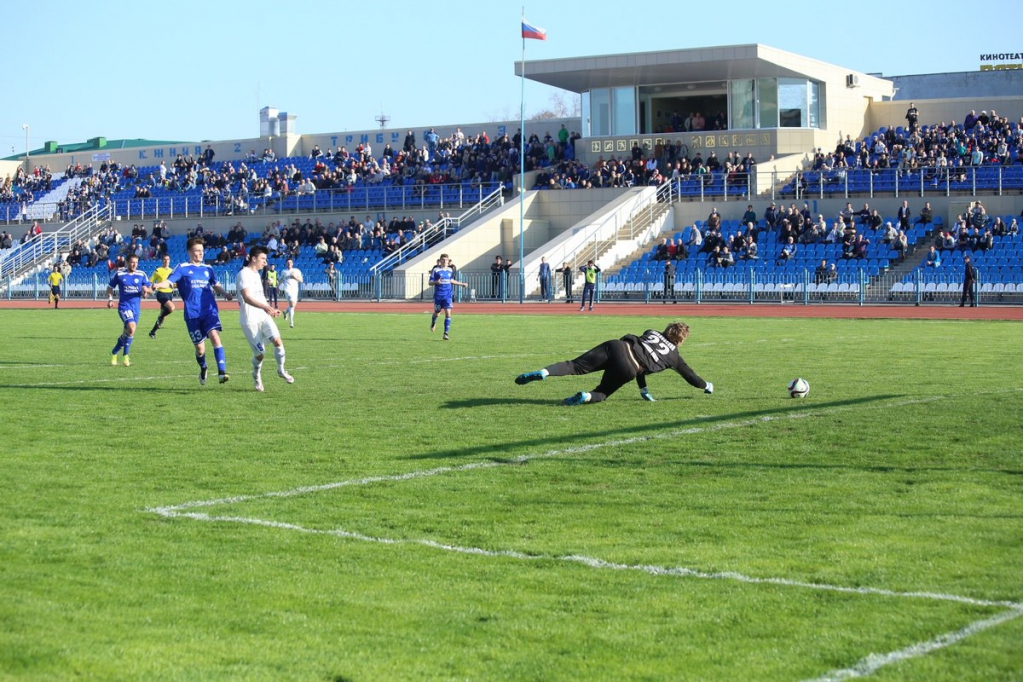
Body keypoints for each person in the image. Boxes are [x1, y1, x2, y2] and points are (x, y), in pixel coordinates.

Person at [514, 322, 713, 406]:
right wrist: (707, 386)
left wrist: (643, 389)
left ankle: (543, 372)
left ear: (667, 329)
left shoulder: (652, 332)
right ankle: (585, 396)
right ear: (680, 340)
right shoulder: (674, 357)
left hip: (618, 346)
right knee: (602, 393)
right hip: (631, 368)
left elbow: (643, 350)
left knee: (574, 365)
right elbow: (692, 378)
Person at [163, 237, 234, 385]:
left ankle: (222, 372)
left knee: (215, 336)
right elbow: (169, 281)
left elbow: (216, 285)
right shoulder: (182, 268)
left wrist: (225, 293)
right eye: (197, 251)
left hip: (209, 310)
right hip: (192, 314)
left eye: (202, 251)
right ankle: (203, 367)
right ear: (189, 252)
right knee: (200, 350)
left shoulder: (208, 269)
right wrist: (157, 286)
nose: (200, 254)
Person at [236, 246, 295, 392]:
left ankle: (281, 370)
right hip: (249, 319)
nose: (265, 262)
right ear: (254, 258)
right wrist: (265, 307)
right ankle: (256, 376)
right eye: (263, 259)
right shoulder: (243, 274)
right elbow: (247, 297)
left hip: (262, 316)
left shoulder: (257, 274)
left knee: (277, 340)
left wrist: (270, 309)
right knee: (260, 354)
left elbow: (260, 296)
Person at [106, 254, 152, 367]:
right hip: (124, 306)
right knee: (131, 328)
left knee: (127, 333)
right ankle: (126, 356)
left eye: (136, 262)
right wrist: (110, 299)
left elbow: (149, 289)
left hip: (136, 308)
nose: (134, 264)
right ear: (127, 262)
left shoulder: (141, 274)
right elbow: (110, 287)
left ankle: (114, 352)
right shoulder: (120, 274)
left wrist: (146, 291)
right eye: (132, 262)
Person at [429, 254, 468, 340]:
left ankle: (446, 333)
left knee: (448, 313)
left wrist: (462, 284)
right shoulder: (436, 270)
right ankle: (433, 321)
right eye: (443, 260)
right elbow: (430, 282)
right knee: (437, 313)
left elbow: (451, 280)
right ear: (440, 261)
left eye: (446, 260)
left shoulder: (450, 270)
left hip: (448, 295)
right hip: (438, 296)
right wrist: (436, 282)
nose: (445, 261)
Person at [148, 254, 176, 338]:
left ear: (169, 260)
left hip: (170, 294)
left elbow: (174, 283)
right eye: (164, 259)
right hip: (161, 293)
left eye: (167, 259)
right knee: (171, 307)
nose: (166, 261)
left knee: (163, 317)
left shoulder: (172, 271)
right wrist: (148, 290)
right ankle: (160, 317)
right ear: (162, 260)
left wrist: (175, 285)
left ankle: (152, 332)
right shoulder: (158, 270)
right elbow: (151, 281)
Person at [279, 258, 304, 328]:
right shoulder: (284, 271)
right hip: (287, 289)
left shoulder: (296, 271)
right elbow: (281, 279)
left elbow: (301, 280)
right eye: (288, 262)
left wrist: (295, 277)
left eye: (290, 262)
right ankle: (291, 323)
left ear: (292, 264)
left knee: (292, 306)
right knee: (292, 304)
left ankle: (285, 312)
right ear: (286, 264)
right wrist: (277, 286)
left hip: (295, 290)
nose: (289, 264)